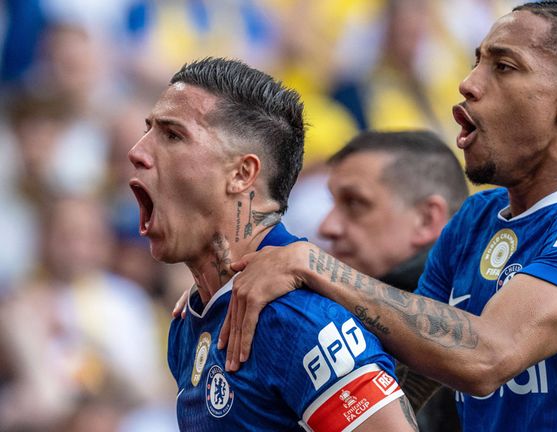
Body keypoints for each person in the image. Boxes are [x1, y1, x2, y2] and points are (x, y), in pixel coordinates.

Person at [218, 2, 557, 430]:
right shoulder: (474, 221)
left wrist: (309, 264)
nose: (469, 83)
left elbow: (486, 355)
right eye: (476, 61)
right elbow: (406, 383)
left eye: (504, 67)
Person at [128, 57, 416, 431]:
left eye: (172, 135)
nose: (137, 151)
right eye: (148, 130)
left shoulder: (299, 320)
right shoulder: (192, 321)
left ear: (241, 174)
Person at [319, 130, 468, 431]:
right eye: (333, 203)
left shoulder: (477, 321)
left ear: (427, 219)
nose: (327, 226)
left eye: (355, 203)